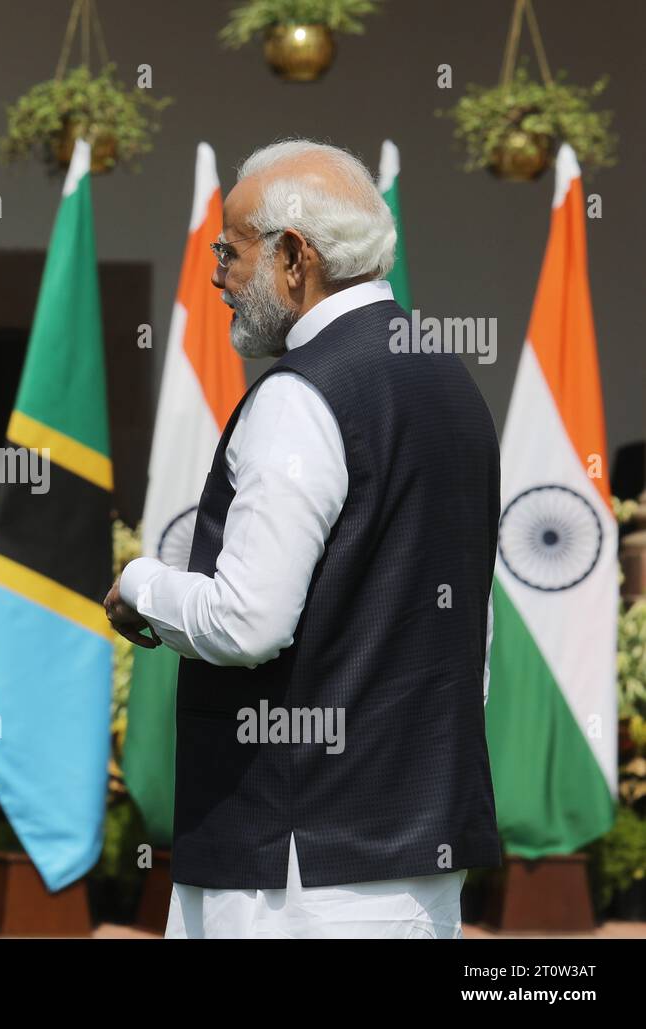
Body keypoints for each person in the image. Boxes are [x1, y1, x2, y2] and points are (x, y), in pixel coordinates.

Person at [104, 139, 501, 939]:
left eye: (231, 250)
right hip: (411, 853)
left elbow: (249, 621)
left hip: (296, 869)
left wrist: (142, 585)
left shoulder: (300, 393)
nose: (217, 275)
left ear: (295, 257)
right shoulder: (452, 384)